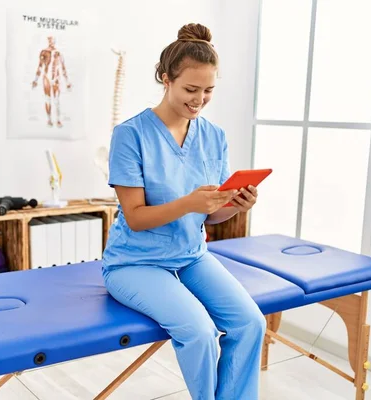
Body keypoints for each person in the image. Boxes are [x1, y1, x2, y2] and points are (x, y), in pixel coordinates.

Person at [101, 23, 266, 400]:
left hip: (192, 257)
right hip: (135, 263)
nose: (199, 100)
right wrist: (190, 202)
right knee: (200, 332)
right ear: (165, 78)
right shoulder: (131, 135)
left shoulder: (213, 135)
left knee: (250, 322)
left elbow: (210, 217)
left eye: (208, 91)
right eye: (191, 89)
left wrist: (235, 206)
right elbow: (137, 217)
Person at [32, 36, 72, 128]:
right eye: (49, 40)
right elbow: (40, 66)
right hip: (46, 78)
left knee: (56, 100)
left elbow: (63, 68)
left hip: (56, 79)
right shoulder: (44, 52)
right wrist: (35, 80)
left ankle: (58, 120)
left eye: (52, 40)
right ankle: (49, 120)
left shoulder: (59, 53)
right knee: (48, 99)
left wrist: (67, 82)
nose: (51, 42)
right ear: (48, 41)